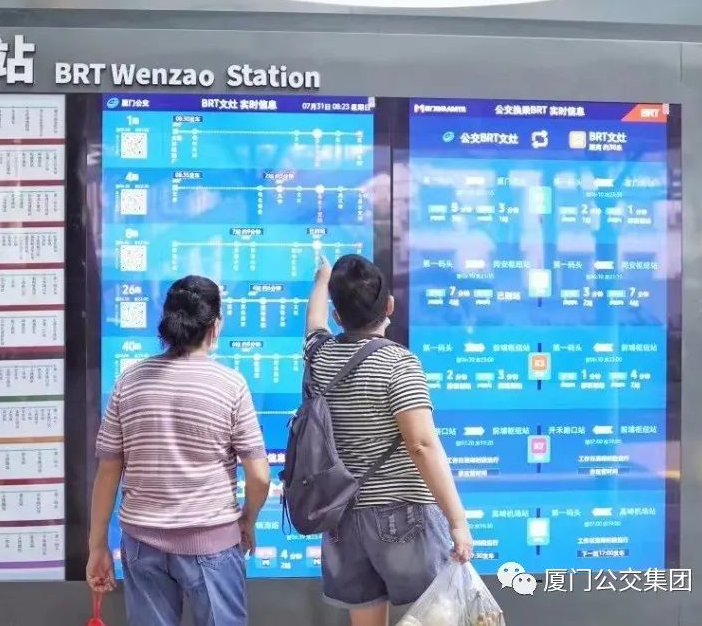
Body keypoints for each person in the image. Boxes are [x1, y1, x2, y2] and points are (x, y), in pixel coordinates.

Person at [86, 275, 271, 626]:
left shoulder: (129, 381)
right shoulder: (230, 385)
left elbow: (108, 471)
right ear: (215, 325)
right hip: (213, 542)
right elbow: (259, 477)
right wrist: (247, 520)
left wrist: (97, 545)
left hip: (142, 544)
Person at [305, 254, 473, 626]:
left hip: (342, 515)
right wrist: (457, 520)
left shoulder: (319, 356)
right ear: (390, 306)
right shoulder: (399, 364)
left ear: (337, 315)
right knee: (436, 616)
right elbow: (421, 445)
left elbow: (314, 323)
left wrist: (321, 280)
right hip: (402, 513)